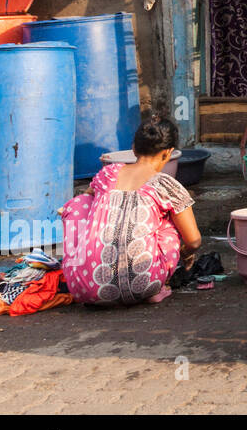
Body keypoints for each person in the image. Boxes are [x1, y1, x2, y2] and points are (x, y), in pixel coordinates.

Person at [59, 112, 201, 306]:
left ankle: (89, 281)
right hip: (145, 283)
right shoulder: (166, 185)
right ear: (168, 153)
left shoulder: (108, 173)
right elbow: (193, 240)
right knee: (167, 223)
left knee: (79, 203)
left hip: (86, 287)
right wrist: (185, 254)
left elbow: (88, 195)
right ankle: (154, 290)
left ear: (133, 149)